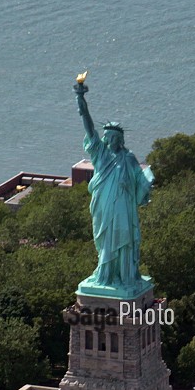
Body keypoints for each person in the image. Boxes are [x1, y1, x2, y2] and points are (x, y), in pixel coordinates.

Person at [74, 73, 153, 294]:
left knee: (124, 239)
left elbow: (140, 179)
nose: (111, 140)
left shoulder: (129, 158)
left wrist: (148, 181)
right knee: (106, 240)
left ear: (121, 140)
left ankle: (125, 276)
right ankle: (106, 274)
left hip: (124, 207)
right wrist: (81, 99)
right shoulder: (101, 154)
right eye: (108, 137)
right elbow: (89, 127)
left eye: (115, 138)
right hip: (104, 205)